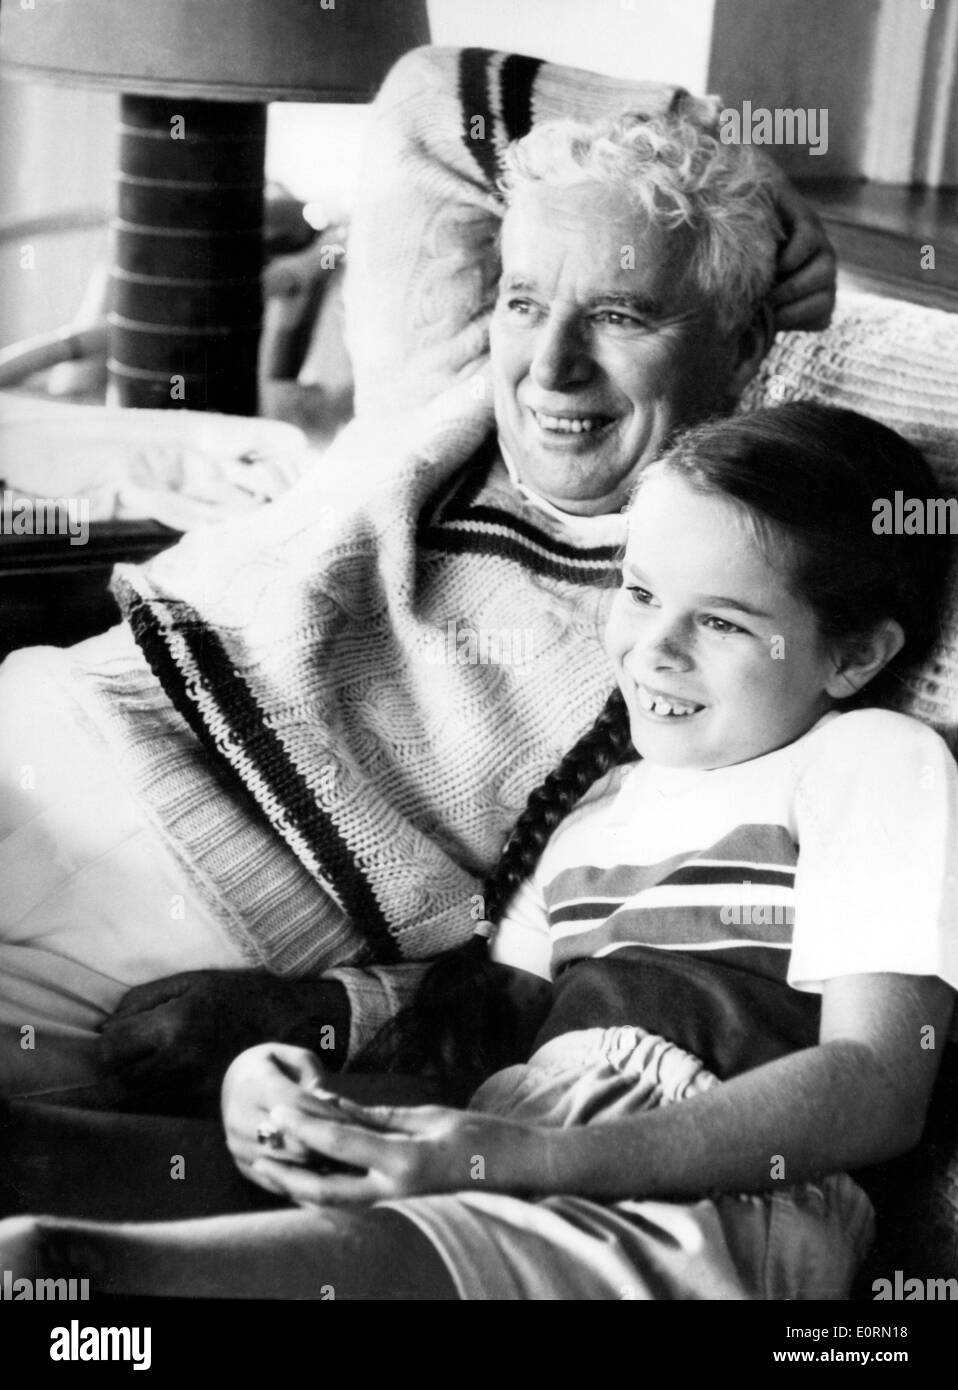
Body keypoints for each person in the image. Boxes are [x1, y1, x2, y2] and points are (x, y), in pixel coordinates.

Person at [2, 402, 955, 1299]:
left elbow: (876, 1087)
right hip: (511, 1138)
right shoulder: (594, 815)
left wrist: (519, 1158)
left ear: (855, 656)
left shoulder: (876, 761)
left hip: (712, 1200)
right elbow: (477, 1068)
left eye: (722, 621)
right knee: (24, 1156)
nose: (653, 649)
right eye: (640, 591)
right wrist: (303, 1101)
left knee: (55, 1266)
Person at [0, 109, 834, 1111]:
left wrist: (330, 1011)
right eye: (526, 302)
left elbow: (579, 949)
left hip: (186, 913)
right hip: (43, 730)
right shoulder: (436, 386)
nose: (550, 366)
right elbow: (427, 105)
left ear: (740, 342)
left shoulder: (719, 602)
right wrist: (741, 163)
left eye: (620, 317)